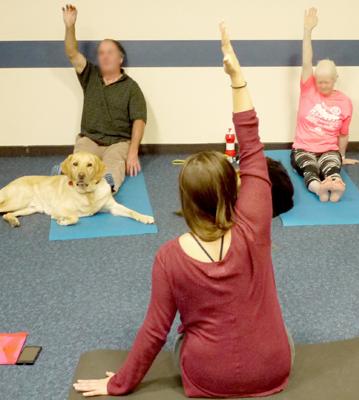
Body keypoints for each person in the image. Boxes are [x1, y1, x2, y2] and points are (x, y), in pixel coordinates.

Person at [73, 22, 293, 398]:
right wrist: (237, 78)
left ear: (186, 202)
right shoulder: (256, 223)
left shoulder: (170, 257)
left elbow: (155, 331)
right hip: (274, 368)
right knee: (278, 327)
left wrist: (119, 383)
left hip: (210, 378)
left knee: (180, 335)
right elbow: (252, 144)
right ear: (233, 189)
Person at [61, 4, 147, 192]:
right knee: (77, 166)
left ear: (120, 59)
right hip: (89, 139)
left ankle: (104, 189)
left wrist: (133, 152)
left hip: (118, 143)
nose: (105, 56)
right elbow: (71, 53)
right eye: (101, 53)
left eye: (110, 52)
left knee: (113, 166)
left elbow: (139, 120)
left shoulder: (131, 87)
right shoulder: (89, 74)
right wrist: (69, 26)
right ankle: (64, 177)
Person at [292, 8, 359, 202]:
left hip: (329, 148)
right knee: (309, 168)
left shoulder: (345, 102)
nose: (321, 85)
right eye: (319, 81)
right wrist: (307, 31)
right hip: (303, 148)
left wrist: (341, 155)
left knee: (331, 166)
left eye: (326, 82)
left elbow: (344, 133)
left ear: (334, 79)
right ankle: (319, 188)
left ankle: (335, 186)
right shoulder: (308, 89)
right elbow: (307, 61)